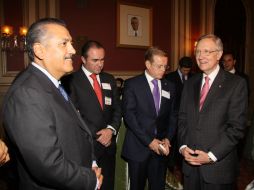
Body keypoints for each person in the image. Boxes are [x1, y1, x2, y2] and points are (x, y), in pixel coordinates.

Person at [2, 18, 102, 190]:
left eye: (70, 43)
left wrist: (91, 162)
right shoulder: (27, 93)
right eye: (64, 43)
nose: (73, 50)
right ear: (39, 50)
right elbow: (47, 163)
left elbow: (79, 131)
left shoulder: (53, 83)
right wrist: (89, 180)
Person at [178, 34, 248, 190]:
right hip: (190, 167)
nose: (201, 56)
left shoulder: (236, 84)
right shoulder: (190, 83)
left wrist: (211, 156)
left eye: (207, 51)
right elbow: (182, 119)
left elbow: (237, 128)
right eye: (198, 52)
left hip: (218, 169)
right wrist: (183, 147)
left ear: (219, 54)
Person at [62, 40, 122, 190]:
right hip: (88, 146)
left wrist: (111, 130)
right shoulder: (71, 80)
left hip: (109, 146)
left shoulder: (109, 79)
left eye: (102, 60)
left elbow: (117, 108)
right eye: (95, 60)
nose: (100, 64)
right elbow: (73, 116)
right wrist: (99, 135)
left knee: (108, 184)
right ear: (83, 59)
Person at [121, 47, 177, 190]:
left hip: (161, 149)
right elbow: (129, 117)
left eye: (166, 66)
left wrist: (168, 138)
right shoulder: (132, 84)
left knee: (158, 186)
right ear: (147, 64)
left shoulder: (170, 86)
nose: (163, 69)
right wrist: (149, 141)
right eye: (159, 66)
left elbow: (173, 115)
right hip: (139, 147)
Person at [165, 56, 193, 189]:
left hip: (188, 116)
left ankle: (182, 167)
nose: (186, 73)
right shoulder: (170, 78)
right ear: (179, 67)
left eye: (188, 70)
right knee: (172, 141)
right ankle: (170, 169)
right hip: (173, 115)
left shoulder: (194, 77)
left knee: (183, 141)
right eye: (184, 70)